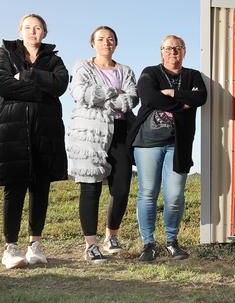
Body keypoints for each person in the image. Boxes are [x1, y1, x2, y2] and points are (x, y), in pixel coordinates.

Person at [127, 35, 206, 262]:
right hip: (147, 143)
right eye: (169, 48)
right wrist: (183, 103)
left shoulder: (193, 75)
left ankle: (172, 241)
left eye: (178, 48)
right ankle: (148, 244)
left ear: (184, 52)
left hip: (178, 144)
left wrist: (171, 93)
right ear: (161, 51)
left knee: (174, 196)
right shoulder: (150, 72)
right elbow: (148, 97)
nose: (173, 52)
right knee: (148, 193)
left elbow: (201, 97)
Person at [0, 14, 68, 269]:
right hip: (12, 130)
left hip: (45, 130)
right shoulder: (4, 54)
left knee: (41, 188)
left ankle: (35, 245)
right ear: (20, 31)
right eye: (28, 27)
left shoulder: (54, 59)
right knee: (14, 189)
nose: (32, 32)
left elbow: (60, 84)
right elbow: (3, 85)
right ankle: (10, 247)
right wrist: (40, 84)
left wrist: (25, 76)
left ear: (44, 33)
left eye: (37, 28)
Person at [67, 26, 138, 264]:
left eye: (110, 39)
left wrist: (105, 96)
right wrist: (113, 94)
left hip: (121, 132)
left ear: (116, 43)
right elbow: (79, 92)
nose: (106, 42)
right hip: (90, 132)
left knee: (121, 189)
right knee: (91, 187)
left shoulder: (126, 70)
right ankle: (91, 245)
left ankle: (112, 236)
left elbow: (131, 99)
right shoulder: (82, 67)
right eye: (101, 39)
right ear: (92, 43)